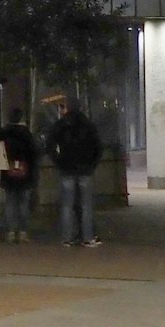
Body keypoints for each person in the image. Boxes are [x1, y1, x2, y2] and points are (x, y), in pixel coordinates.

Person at [46, 100, 103, 247]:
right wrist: (92, 164)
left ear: (67, 108)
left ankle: (67, 237)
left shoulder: (61, 124)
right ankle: (88, 237)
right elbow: (98, 146)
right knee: (86, 205)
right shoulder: (88, 124)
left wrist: (58, 160)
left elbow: (50, 144)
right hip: (85, 169)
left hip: (66, 168)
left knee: (67, 205)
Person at [0, 108, 39, 243]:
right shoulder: (26, 134)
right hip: (25, 174)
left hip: (8, 173)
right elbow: (33, 154)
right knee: (23, 203)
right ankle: (22, 232)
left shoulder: (4, 133)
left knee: (10, 203)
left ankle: (10, 232)